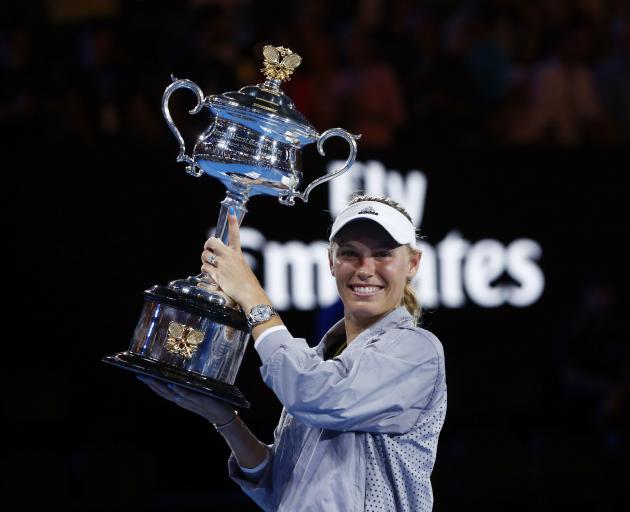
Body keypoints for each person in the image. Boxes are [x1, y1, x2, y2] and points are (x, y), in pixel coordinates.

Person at [138, 195, 447, 511]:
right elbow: (281, 490)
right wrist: (225, 419)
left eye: (383, 254)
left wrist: (251, 295)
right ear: (331, 262)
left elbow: (311, 391)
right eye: (350, 254)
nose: (365, 269)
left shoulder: (417, 351)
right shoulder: (319, 361)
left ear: (412, 263)